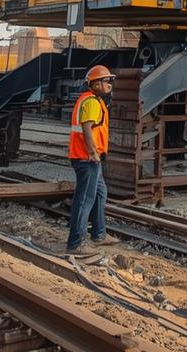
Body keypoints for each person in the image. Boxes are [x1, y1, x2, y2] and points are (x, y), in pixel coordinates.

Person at [67, 64, 121, 253]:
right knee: (84, 200)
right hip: (86, 158)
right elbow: (87, 128)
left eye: (110, 81)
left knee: (100, 193)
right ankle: (75, 243)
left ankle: (98, 233)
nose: (110, 85)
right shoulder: (91, 102)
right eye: (106, 81)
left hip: (90, 158)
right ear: (95, 84)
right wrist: (92, 152)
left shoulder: (93, 100)